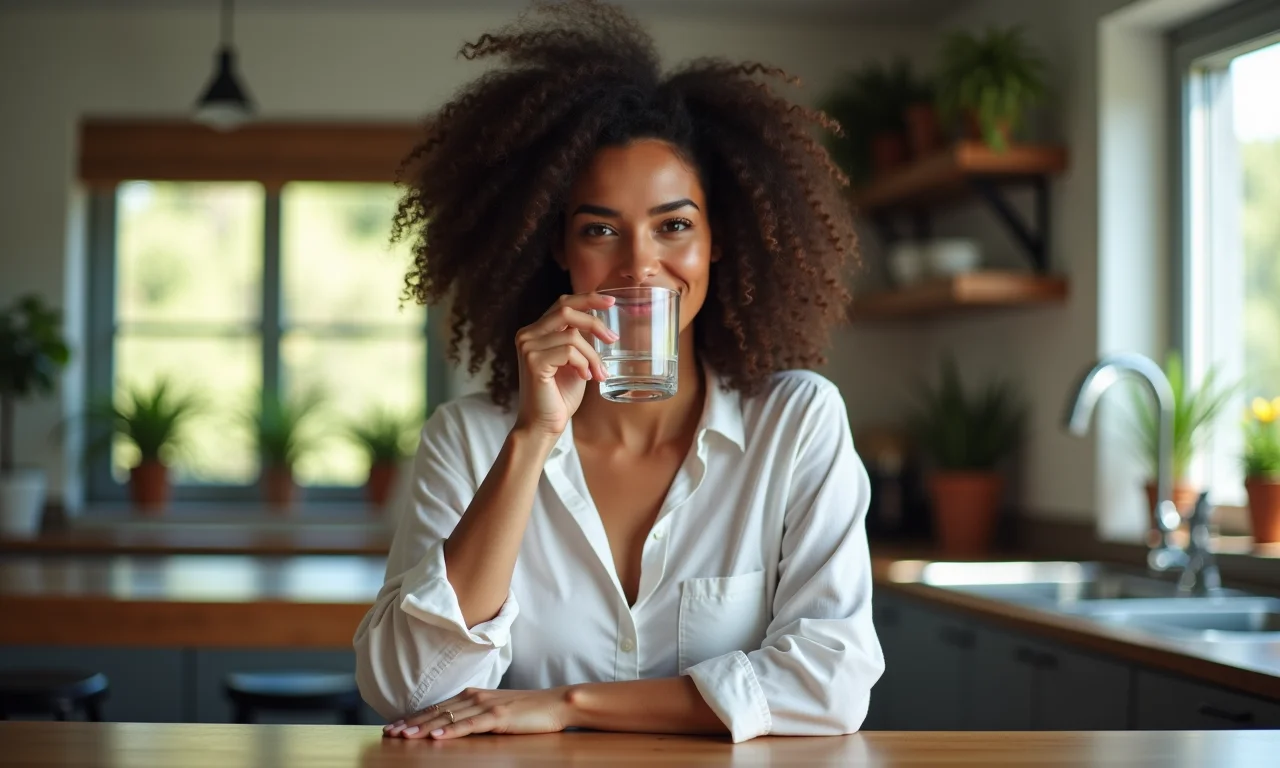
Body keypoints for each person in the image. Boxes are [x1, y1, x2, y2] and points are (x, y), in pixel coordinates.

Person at [354, 0, 883, 744]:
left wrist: (570, 704)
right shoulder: (470, 439)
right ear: (558, 251)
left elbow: (832, 680)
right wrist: (534, 438)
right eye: (600, 229)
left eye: (674, 226)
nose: (639, 265)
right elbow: (409, 690)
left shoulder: (797, 424)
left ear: (717, 244)